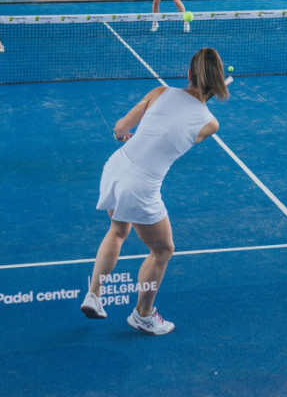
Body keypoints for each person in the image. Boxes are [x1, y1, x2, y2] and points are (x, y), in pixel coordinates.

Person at [80, 47, 230, 335]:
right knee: (162, 250)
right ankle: (143, 314)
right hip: (140, 185)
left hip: (116, 167)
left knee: (118, 231)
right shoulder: (210, 124)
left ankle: (94, 294)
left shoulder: (159, 92)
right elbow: (176, 137)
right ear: (216, 82)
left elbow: (121, 128)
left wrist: (122, 136)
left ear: (188, 73)